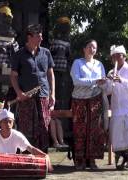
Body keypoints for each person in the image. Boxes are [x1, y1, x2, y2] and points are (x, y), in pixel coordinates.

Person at [10, 24, 55, 153]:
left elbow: (50, 74)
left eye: (41, 36)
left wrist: (53, 94)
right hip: (26, 97)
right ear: (29, 37)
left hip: (44, 95)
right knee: (27, 128)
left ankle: (43, 158)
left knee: (44, 127)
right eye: (38, 37)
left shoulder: (46, 52)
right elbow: (13, 76)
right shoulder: (19, 55)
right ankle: (27, 158)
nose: (41, 39)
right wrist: (19, 93)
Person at [102, 45, 128, 171]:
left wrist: (122, 80)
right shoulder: (110, 72)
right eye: (113, 56)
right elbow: (108, 91)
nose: (116, 58)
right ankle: (124, 158)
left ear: (124, 56)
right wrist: (104, 83)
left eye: (118, 55)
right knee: (117, 132)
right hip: (117, 107)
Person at [70, 39, 106, 170]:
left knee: (95, 130)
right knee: (80, 129)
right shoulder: (77, 63)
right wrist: (96, 81)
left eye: (94, 47)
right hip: (79, 100)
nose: (92, 49)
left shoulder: (99, 64)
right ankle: (79, 159)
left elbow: (103, 82)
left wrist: (106, 81)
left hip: (95, 99)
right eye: (89, 46)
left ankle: (92, 160)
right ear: (84, 49)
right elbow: (76, 81)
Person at [49, 16, 72, 148]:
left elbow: (69, 58)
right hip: (55, 73)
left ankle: (61, 138)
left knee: (62, 99)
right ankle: (57, 139)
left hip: (64, 74)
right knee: (56, 98)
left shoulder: (67, 42)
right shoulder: (53, 42)